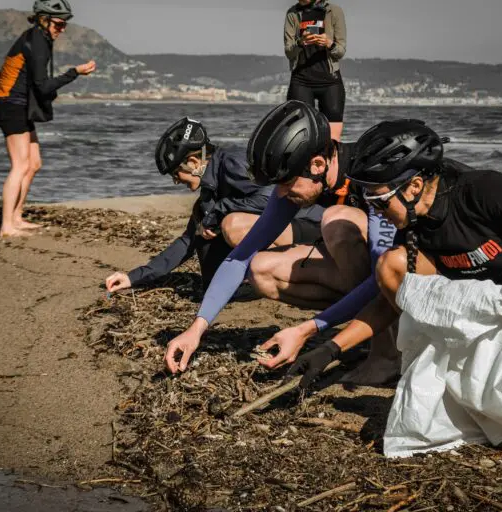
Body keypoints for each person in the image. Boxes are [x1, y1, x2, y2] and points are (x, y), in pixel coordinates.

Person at [289, 119, 502, 424]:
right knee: (392, 266)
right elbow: (391, 303)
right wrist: (331, 348)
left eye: (379, 201)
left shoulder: (482, 189)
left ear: (414, 186)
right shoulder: (413, 224)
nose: (375, 212)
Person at [163, 101, 399, 379]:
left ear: (317, 164)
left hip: (402, 281)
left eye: (286, 183)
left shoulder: (372, 178)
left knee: (336, 221)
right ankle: (361, 329)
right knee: (260, 269)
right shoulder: (299, 180)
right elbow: (240, 257)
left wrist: (307, 330)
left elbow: (383, 278)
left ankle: (386, 354)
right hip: (372, 281)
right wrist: (197, 328)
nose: (281, 194)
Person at [105, 117, 325, 293]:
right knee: (206, 232)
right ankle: (251, 282)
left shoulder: (232, 163)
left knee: (232, 224)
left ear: (193, 162)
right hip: (283, 232)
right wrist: (133, 277)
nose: (176, 181)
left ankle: (291, 273)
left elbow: (272, 196)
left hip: (310, 228)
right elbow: (187, 242)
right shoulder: (209, 192)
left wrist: (221, 210)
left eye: (175, 174)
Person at [0, 0, 96, 237]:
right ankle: (7, 226)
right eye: (58, 24)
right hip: (11, 106)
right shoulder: (37, 41)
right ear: (43, 19)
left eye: (65, 24)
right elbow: (43, 86)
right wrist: (74, 73)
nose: (62, 29)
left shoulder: (39, 38)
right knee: (20, 165)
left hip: (20, 106)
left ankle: (16, 218)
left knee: (34, 163)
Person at [284, 0, 347, 141]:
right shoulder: (292, 14)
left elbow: (340, 51)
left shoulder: (334, 11)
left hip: (330, 81)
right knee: (300, 137)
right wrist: (300, 42)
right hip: (301, 81)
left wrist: (328, 43)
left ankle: (331, 156)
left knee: (333, 140)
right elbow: (289, 52)